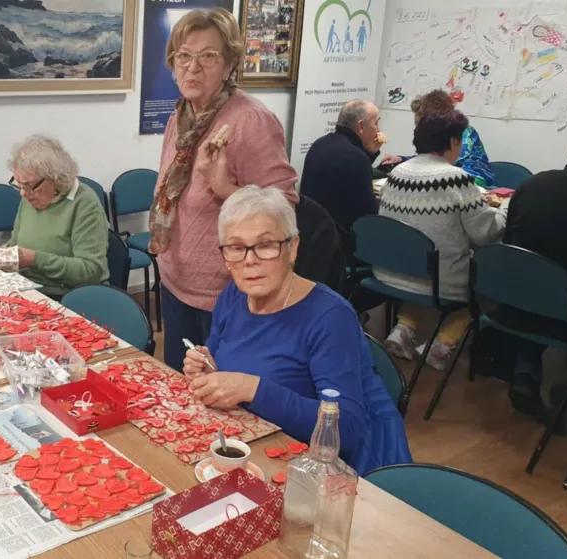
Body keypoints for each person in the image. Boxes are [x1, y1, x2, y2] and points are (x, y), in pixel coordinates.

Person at [183, 186, 411, 475]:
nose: (249, 260)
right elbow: (217, 356)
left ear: (292, 248)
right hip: (248, 446)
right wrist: (207, 368)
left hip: (307, 468)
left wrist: (252, 389)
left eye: (265, 245)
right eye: (237, 247)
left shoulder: (330, 317)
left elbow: (347, 430)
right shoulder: (233, 295)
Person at [148, 8, 297, 372]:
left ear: (230, 63)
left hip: (224, 294)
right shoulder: (180, 118)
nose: (192, 68)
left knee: (221, 403)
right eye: (183, 56)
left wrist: (224, 188)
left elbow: (284, 210)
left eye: (208, 56)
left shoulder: (250, 119)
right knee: (182, 394)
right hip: (175, 282)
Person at [377, 111, 506, 371]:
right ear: (454, 142)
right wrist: (506, 210)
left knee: (428, 262)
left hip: (390, 271)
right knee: (488, 286)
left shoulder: (396, 173)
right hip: (436, 279)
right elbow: (486, 232)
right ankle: (441, 346)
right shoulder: (458, 179)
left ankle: (403, 328)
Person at [500, 122, 567, 415]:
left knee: (540, 284)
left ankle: (526, 370)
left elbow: (507, 247)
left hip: (515, 307)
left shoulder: (533, 185)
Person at [4, 134, 109, 300]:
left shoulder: (84, 203)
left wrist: (35, 259)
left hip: (67, 296)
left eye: (29, 186)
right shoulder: (30, 198)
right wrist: (2, 255)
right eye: (19, 184)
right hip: (26, 289)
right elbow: (16, 242)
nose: (23, 193)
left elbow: (91, 270)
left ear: (56, 178)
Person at [380, 89, 496, 187]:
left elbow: (443, 164)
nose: (419, 130)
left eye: (421, 125)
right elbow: (431, 158)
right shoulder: (439, 136)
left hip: (475, 186)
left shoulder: (461, 134)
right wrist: (402, 159)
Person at [301, 99, 382, 233]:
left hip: (311, 230)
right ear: (361, 127)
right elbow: (369, 211)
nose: (378, 130)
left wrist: (370, 152)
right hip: (338, 238)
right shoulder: (354, 156)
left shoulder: (320, 143)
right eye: (376, 123)